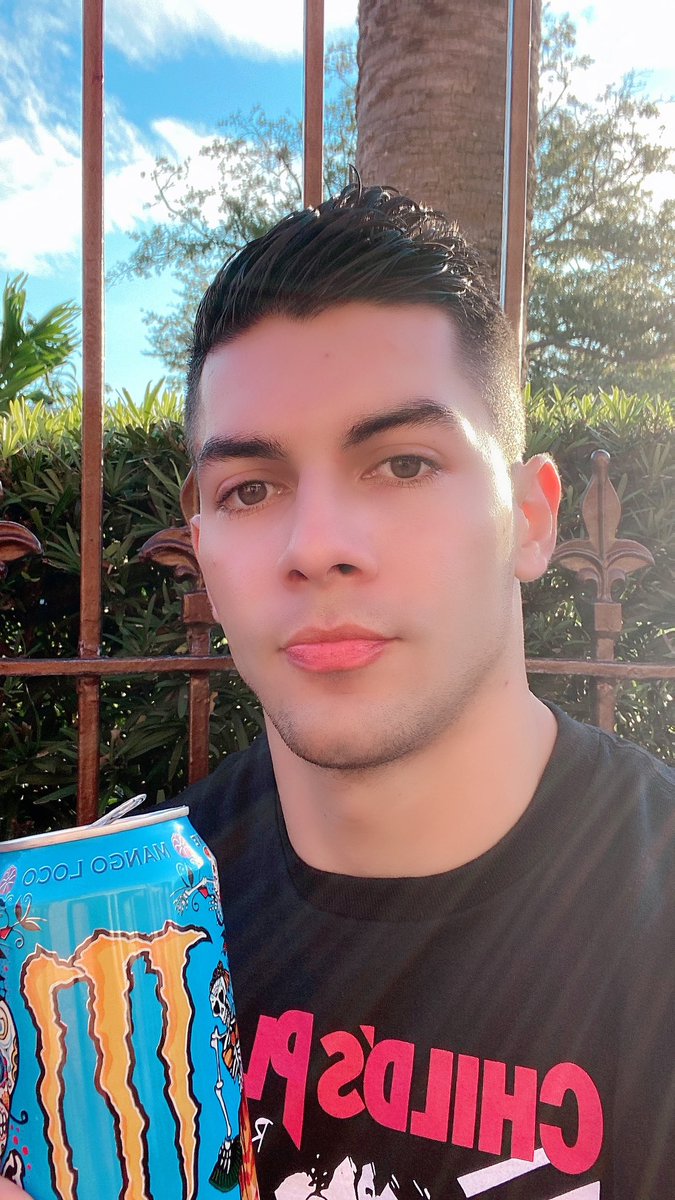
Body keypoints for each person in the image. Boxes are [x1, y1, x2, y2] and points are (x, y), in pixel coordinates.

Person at [2, 182, 673, 1199]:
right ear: (203, 548)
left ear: (532, 519)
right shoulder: (113, 936)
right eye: (250, 489)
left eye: (403, 464)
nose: (316, 547)